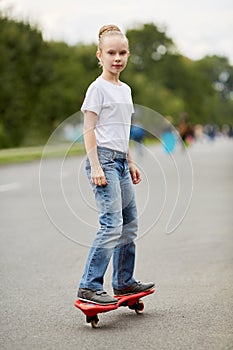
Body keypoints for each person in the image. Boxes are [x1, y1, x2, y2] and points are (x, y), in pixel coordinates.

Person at [77, 24, 154, 305]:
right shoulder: (97, 89)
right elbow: (89, 130)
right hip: (104, 161)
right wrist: (96, 166)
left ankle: (123, 282)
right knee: (111, 226)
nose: (117, 58)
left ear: (128, 54)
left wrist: (131, 161)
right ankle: (89, 286)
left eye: (122, 52)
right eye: (111, 52)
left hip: (121, 160)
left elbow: (123, 129)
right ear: (100, 55)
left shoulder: (126, 90)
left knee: (130, 225)